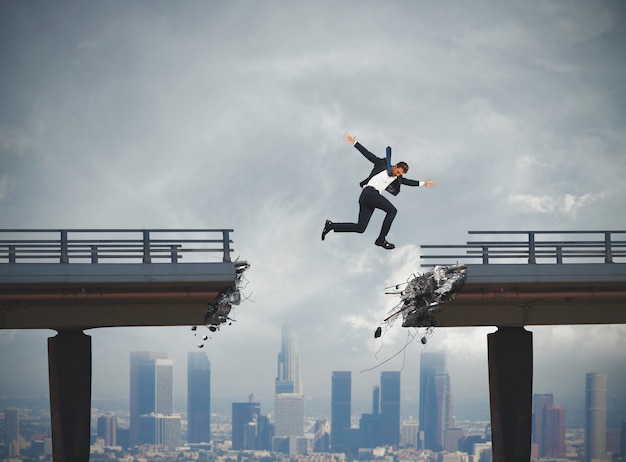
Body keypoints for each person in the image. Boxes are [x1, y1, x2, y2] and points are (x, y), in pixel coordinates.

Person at [321, 131, 435, 250]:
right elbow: (368, 155)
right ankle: (381, 240)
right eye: (398, 171)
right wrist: (354, 142)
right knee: (392, 211)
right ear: (395, 166)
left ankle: (331, 226)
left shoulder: (396, 178)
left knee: (361, 228)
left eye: (400, 174)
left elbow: (408, 182)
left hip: (368, 199)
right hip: (369, 193)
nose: (397, 175)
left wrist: (424, 183)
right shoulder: (382, 164)